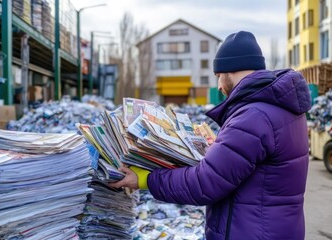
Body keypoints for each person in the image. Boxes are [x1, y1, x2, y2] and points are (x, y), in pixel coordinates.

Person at [109, 31, 311, 240]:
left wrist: (148, 180)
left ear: (229, 70)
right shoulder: (281, 109)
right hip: (275, 229)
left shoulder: (253, 116)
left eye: (218, 77)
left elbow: (204, 183)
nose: (219, 86)